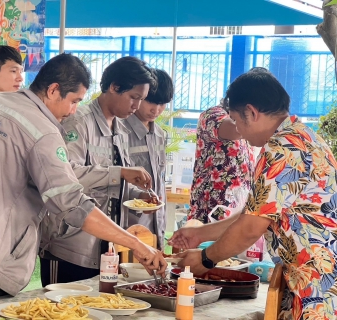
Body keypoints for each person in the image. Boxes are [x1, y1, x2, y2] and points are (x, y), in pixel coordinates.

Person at [0, 53, 167, 298]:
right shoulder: (43, 132)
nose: (74, 110)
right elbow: (72, 205)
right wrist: (135, 244)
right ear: (54, 90)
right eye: (74, 100)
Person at [169, 69, 337, 319]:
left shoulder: (281, 150)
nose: (239, 131)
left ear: (252, 112)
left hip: (316, 287)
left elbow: (250, 228)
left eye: (236, 121)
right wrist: (200, 234)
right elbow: (254, 212)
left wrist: (205, 259)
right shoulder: (302, 136)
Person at [39, 56, 158, 286]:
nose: (137, 106)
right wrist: (119, 172)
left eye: (141, 100)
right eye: (133, 97)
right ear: (114, 87)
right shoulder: (77, 121)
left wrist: (137, 196)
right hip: (69, 246)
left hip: (106, 248)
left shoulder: (121, 129)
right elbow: (66, 176)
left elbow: (111, 185)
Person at [122, 69, 174, 249]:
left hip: (155, 225)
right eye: (151, 102)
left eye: (162, 104)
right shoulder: (120, 131)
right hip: (127, 226)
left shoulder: (160, 134)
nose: (156, 110)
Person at [189, 94, 255, 224]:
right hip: (212, 207)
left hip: (238, 206)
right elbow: (235, 130)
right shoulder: (212, 115)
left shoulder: (251, 125)